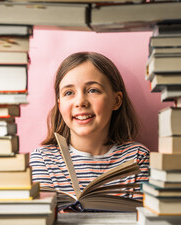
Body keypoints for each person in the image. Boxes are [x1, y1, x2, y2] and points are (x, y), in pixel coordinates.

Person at [29, 51, 149, 201]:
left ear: (116, 101)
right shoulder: (43, 160)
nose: (80, 102)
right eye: (69, 92)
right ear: (59, 105)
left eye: (93, 90)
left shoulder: (137, 157)